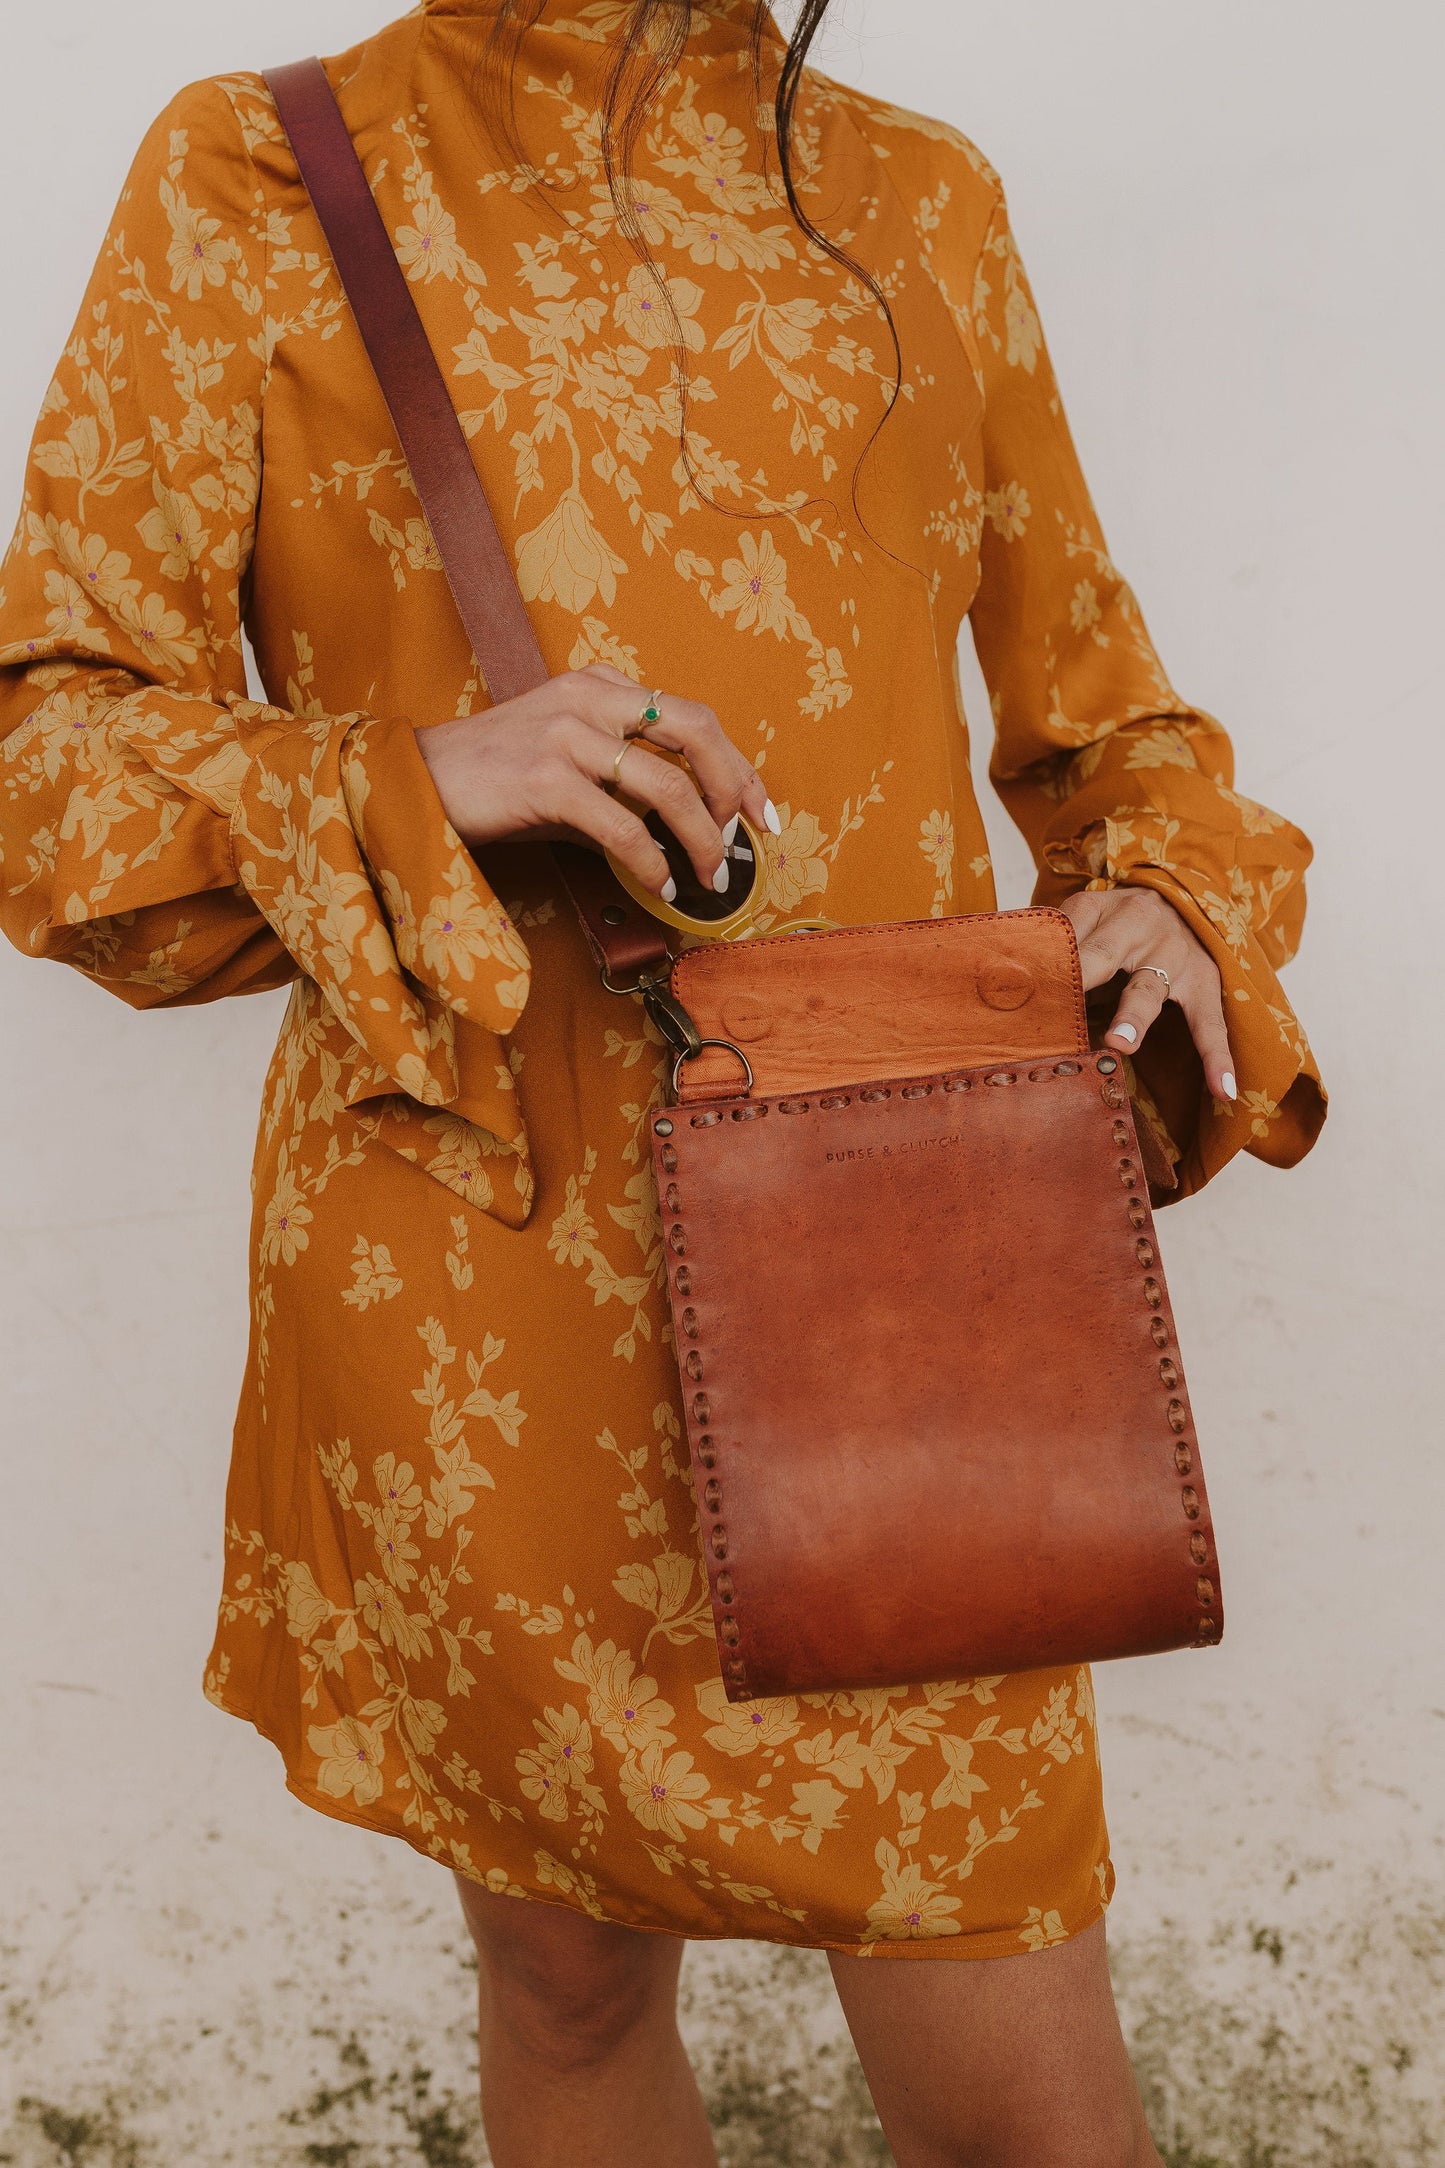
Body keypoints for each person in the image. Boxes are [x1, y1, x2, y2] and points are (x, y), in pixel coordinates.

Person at [0, 2, 1325, 2160]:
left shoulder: (922, 200)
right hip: (482, 1271)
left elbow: (1114, 736)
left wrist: (1170, 891)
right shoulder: (261, 169)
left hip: (900, 1266)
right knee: (567, 1980)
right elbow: (43, 765)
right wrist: (417, 774)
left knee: (1018, 2064)